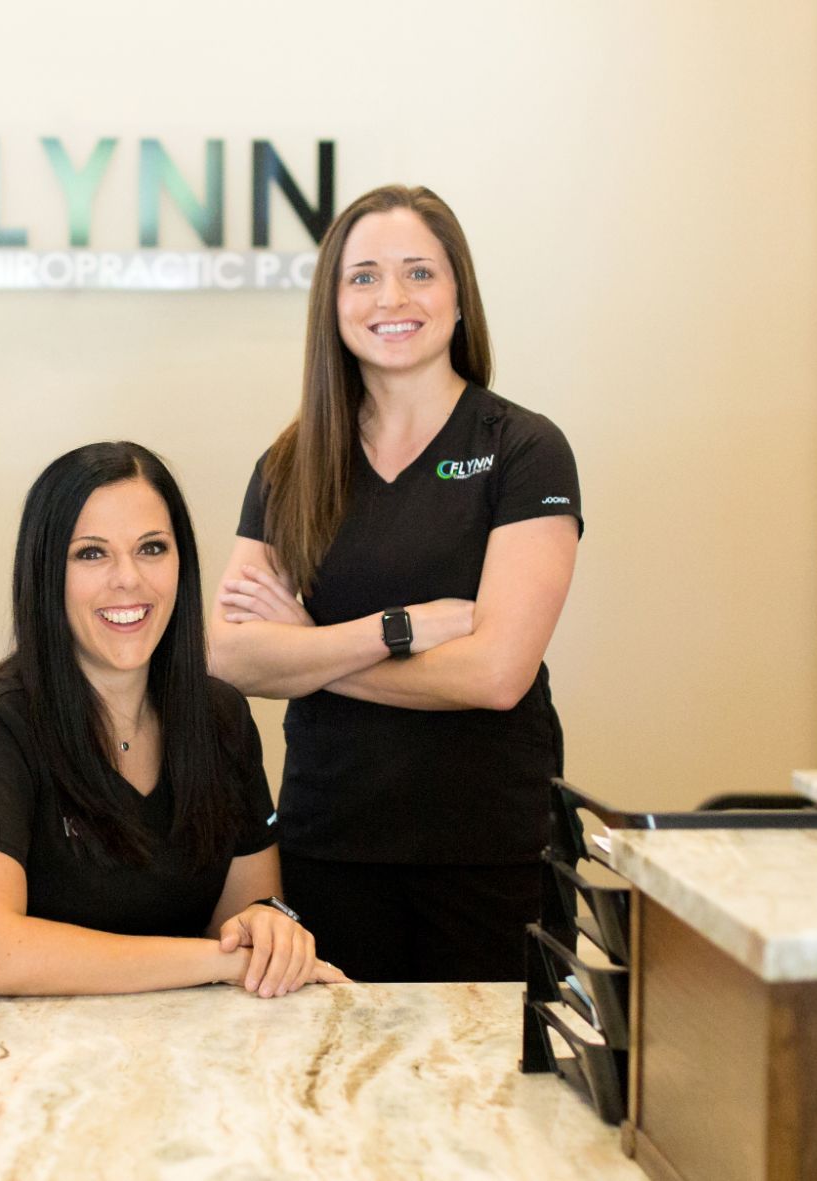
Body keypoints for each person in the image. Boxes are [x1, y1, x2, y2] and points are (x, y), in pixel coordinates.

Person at [208, 185, 583, 983]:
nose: (394, 298)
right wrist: (393, 629)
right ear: (333, 302)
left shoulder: (524, 450)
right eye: (365, 277)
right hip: (326, 844)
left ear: (457, 295)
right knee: (334, 1089)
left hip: (491, 849)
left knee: (494, 1096)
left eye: (420, 272)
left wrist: (304, 652)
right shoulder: (291, 463)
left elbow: (495, 673)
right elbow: (230, 657)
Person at [0, 441, 345, 998]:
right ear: (46, 572)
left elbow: (241, 921)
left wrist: (262, 929)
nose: (128, 580)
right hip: (18, 1061)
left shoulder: (220, 716)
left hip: (182, 1050)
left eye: (152, 549)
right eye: (91, 554)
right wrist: (216, 962)